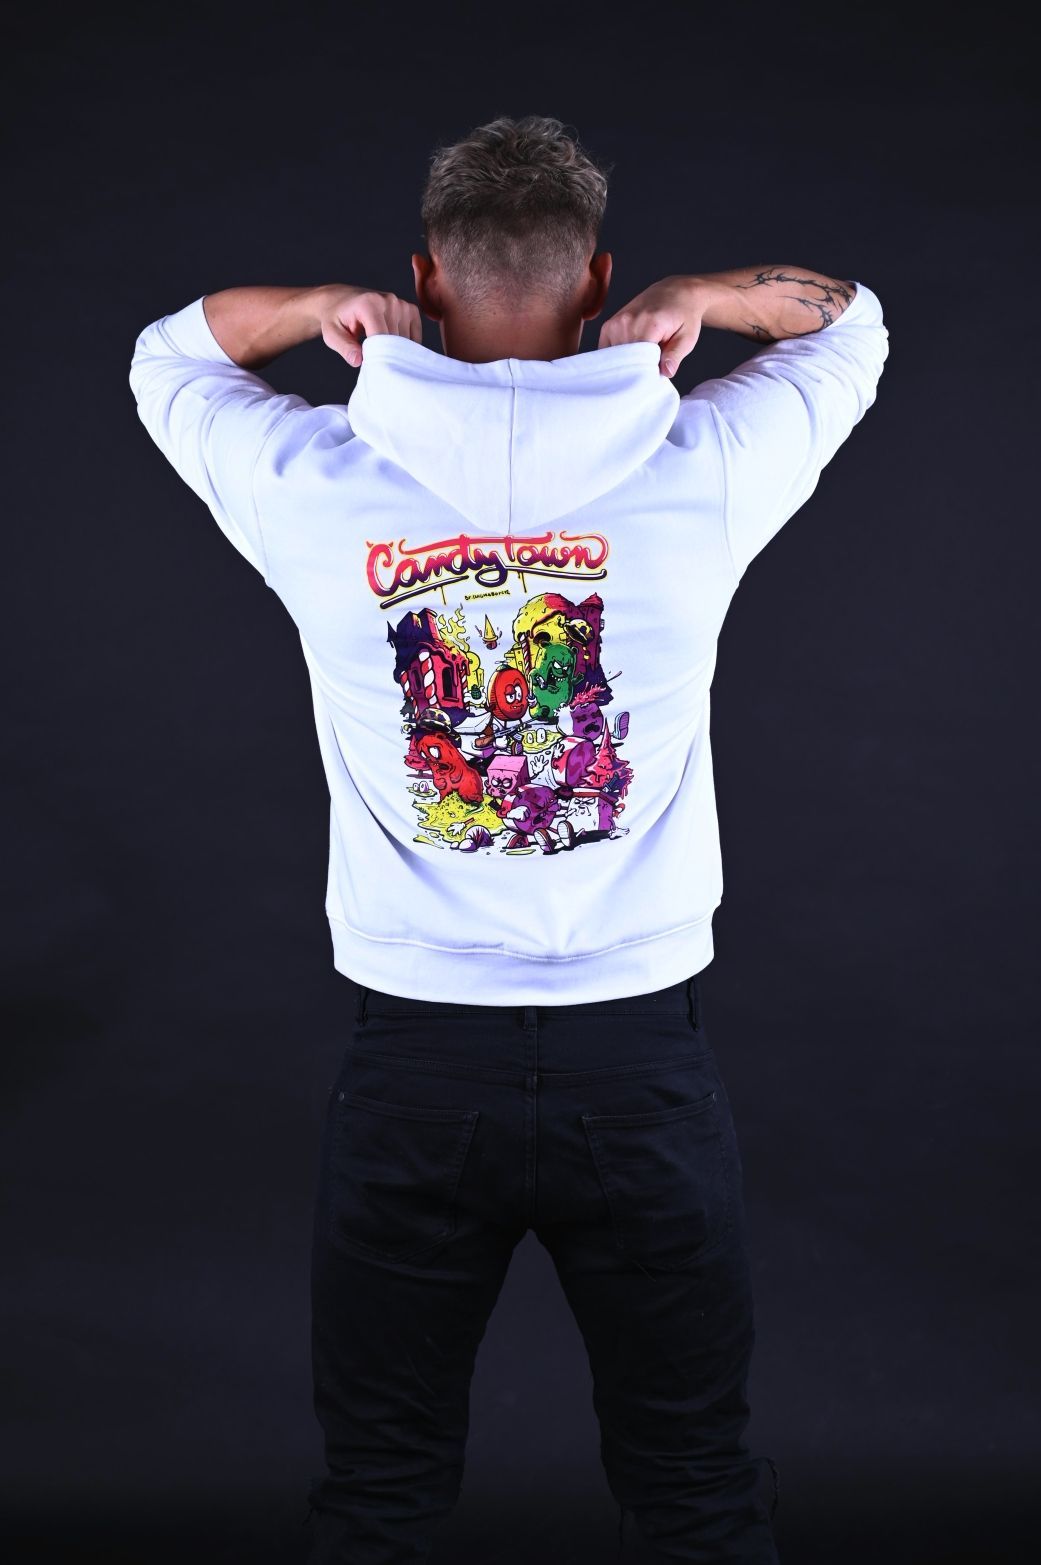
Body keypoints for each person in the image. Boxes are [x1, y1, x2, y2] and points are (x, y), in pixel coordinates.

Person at [129, 113, 888, 1563]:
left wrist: (317, 309)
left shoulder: (313, 484)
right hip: (639, 1059)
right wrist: (704, 299)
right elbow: (849, 323)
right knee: (696, 1487)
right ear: (596, 278)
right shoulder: (707, 467)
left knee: (380, 1494)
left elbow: (169, 357)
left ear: (423, 275)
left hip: (415, 1063)